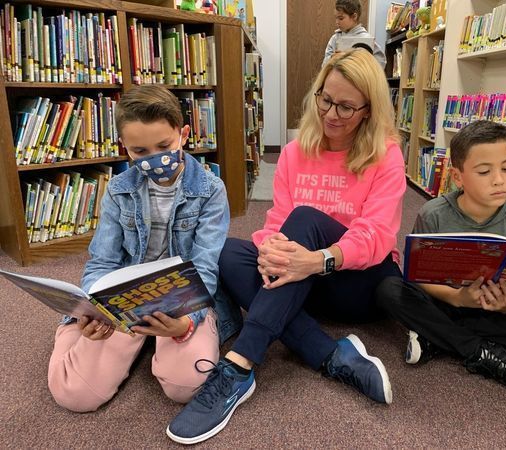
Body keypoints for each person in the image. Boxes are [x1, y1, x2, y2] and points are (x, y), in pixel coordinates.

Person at [167, 48, 406, 444]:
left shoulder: (386, 155)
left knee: (307, 219)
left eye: (346, 107)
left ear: (369, 109)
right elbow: (276, 222)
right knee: (227, 251)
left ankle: (238, 367)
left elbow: (377, 235)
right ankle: (331, 356)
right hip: (302, 283)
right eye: (325, 99)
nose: (331, 114)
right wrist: (268, 251)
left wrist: (317, 261)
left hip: (359, 282)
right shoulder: (296, 153)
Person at [47, 85, 229, 412]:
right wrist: (91, 312)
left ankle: (187, 332)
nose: (154, 159)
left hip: (181, 298)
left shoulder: (210, 190)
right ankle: (72, 331)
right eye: (140, 151)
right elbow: (102, 262)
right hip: (125, 297)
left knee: (186, 385)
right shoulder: (119, 190)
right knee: (74, 394)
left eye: (164, 146)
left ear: (184, 134)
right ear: (125, 148)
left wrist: (188, 322)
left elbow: (204, 267)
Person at [376, 120, 506, 400]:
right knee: (389, 289)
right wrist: (458, 298)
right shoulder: (433, 214)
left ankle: (435, 337)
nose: (499, 179)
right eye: (484, 171)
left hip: (494, 311)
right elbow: (416, 277)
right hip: (446, 302)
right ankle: (482, 350)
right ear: (457, 177)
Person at [322, 0, 386, 69]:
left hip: (359, 78)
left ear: (354, 17)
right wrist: (332, 58)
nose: (337, 22)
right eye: (336, 18)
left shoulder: (366, 39)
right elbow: (324, 66)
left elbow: (381, 63)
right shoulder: (334, 39)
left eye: (341, 18)